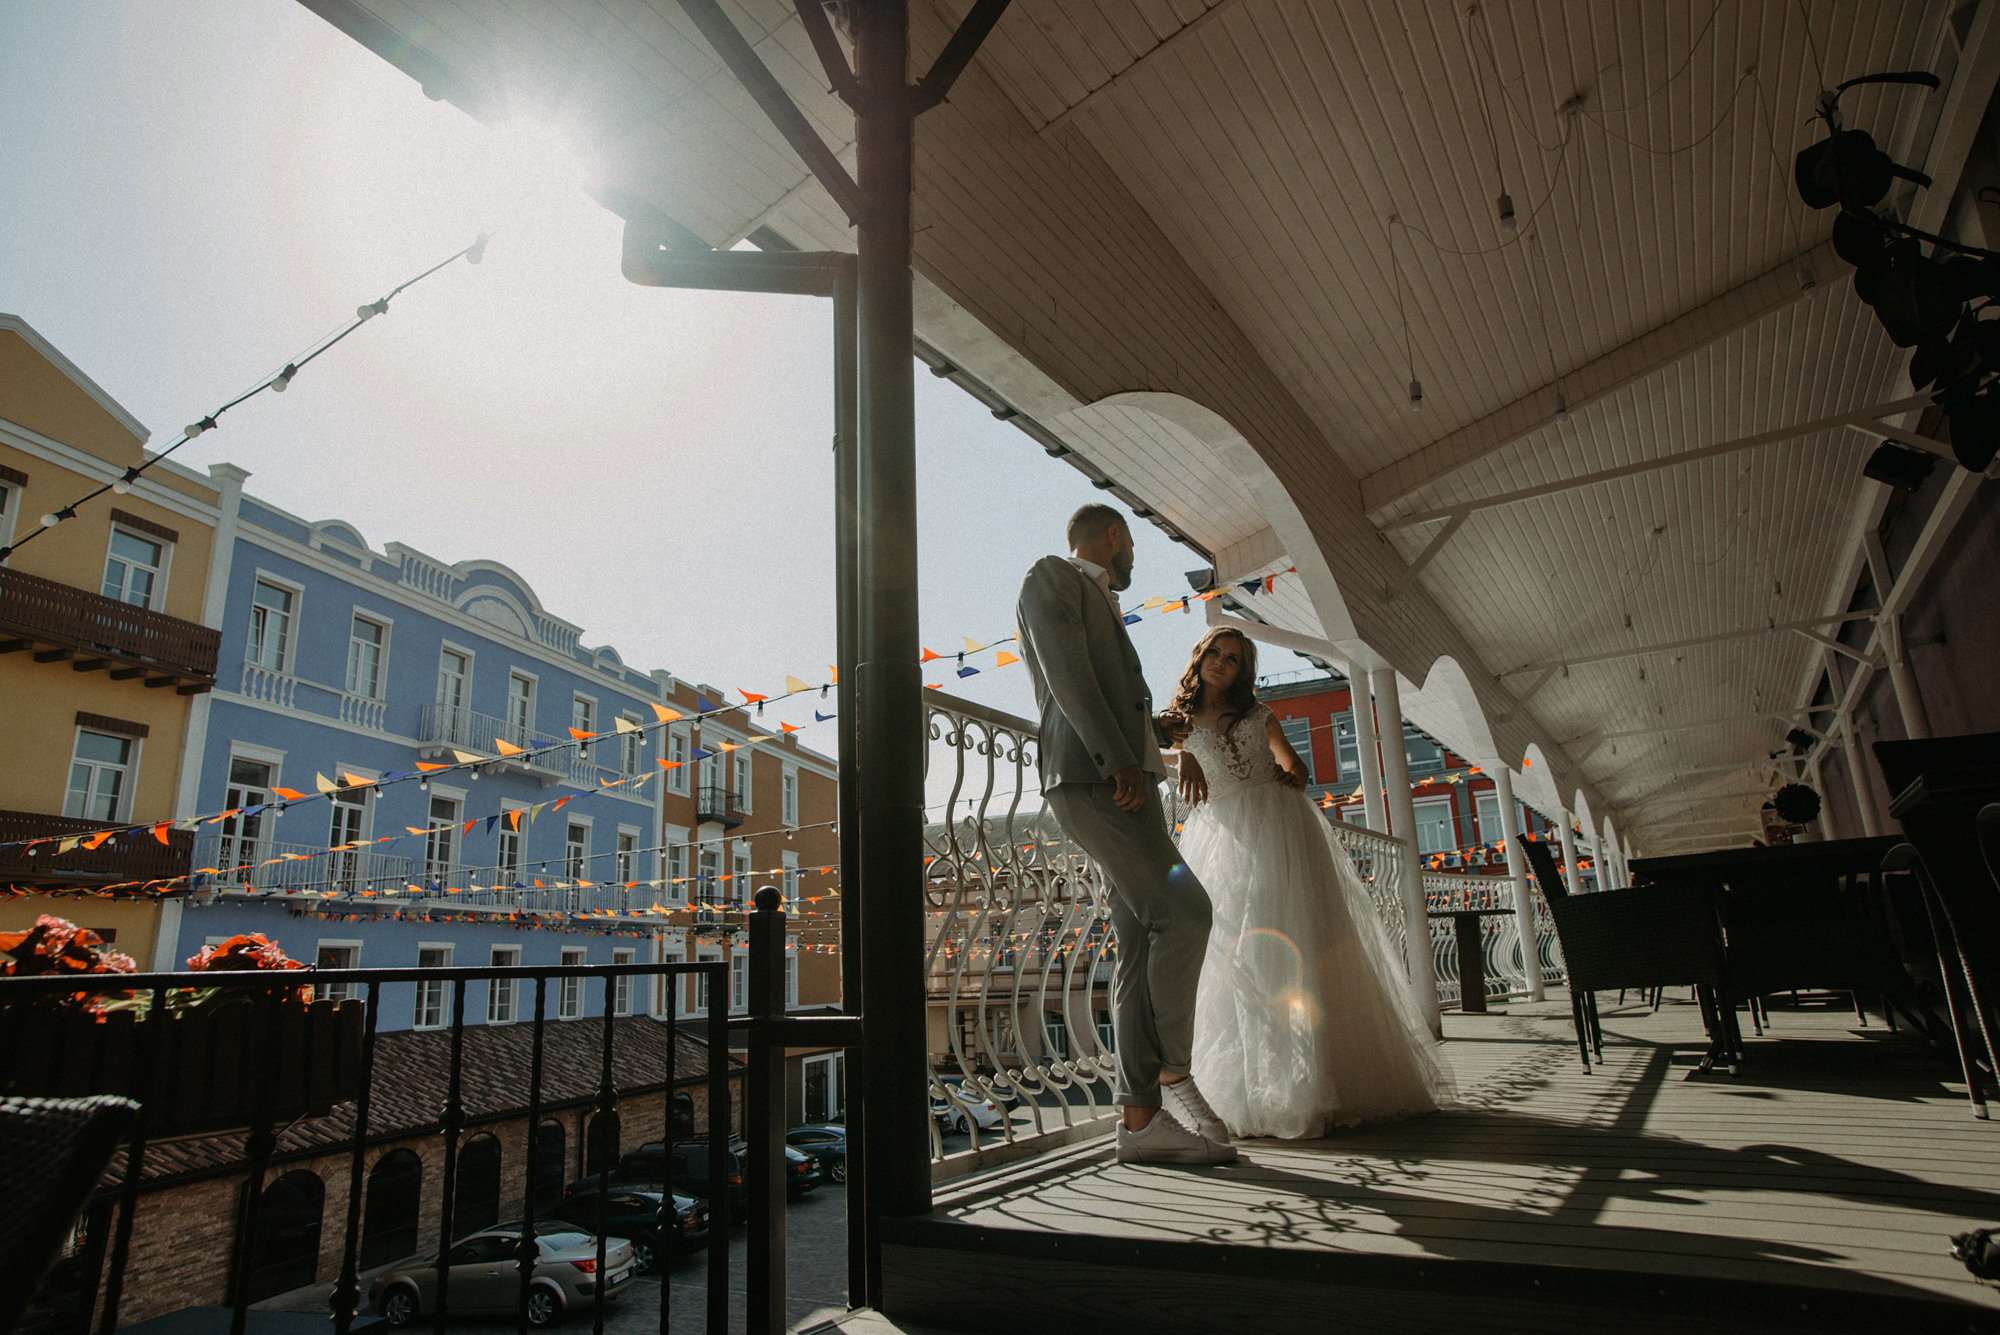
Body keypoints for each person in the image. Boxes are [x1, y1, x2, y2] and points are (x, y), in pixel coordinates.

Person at [1015, 504, 1237, 1165]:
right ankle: (1173, 1070)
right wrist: (1118, 759)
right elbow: (1068, 676)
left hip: (1123, 776)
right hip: (1096, 779)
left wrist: (1149, 734)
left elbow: (1103, 687)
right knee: (1187, 911)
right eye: (1133, 542)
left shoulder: (1101, 600)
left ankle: (1140, 1122)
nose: (1134, 556)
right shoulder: (1051, 575)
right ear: (1113, 535)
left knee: (1140, 939)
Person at [1171, 627, 1454, 1138]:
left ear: (1242, 670)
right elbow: (1147, 749)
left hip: (1282, 827)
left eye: (1232, 658)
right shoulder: (1179, 721)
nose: (1220, 662)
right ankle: (1254, 1090)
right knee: (1241, 954)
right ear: (1199, 656)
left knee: (1303, 940)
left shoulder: (1260, 714)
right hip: (1226, 837)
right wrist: (1184, 753)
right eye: (1213, 652)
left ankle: (1320, 1082)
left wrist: (1294, 776)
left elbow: (1295, 766)